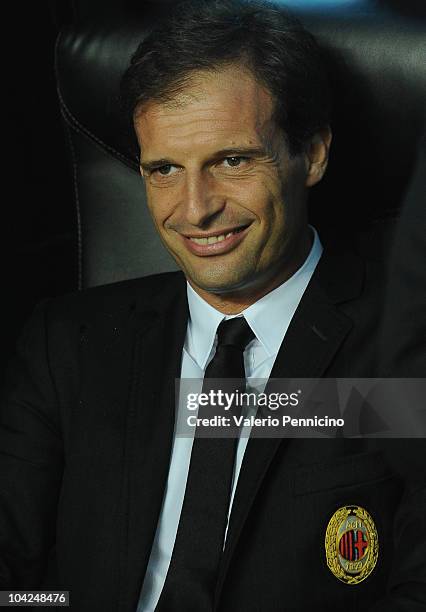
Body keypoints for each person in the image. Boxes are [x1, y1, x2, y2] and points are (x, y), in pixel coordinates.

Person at [0, 1, 425, 610]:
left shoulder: (405, 351)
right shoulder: (65, 344)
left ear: (313, 153)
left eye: (231, 161)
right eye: (165, 169)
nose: (195, 209)